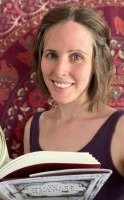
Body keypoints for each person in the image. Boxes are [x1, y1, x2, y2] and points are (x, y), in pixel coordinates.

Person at [23, 6, 124, 199]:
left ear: (97, 63)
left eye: (76, 57)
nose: (60, 70)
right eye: (51, 55)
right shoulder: (33, 128)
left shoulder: (120, 129)